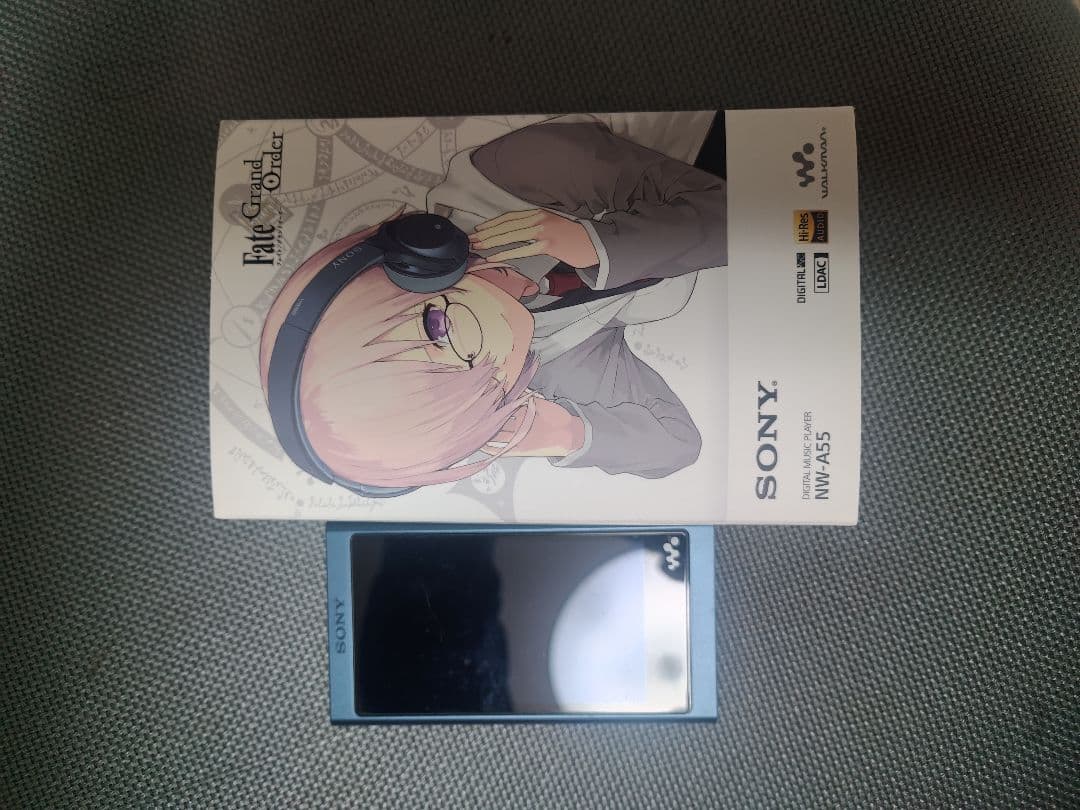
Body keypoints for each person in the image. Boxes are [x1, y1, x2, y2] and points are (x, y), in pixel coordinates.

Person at [259, 114, 727, 491]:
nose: (492, 351)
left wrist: (597, 244)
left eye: (438, 329)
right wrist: (567, 434)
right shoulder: (527, 367)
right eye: (469, 396)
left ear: (411, 263)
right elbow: (678, 443)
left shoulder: (511, 175)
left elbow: (741, 218)